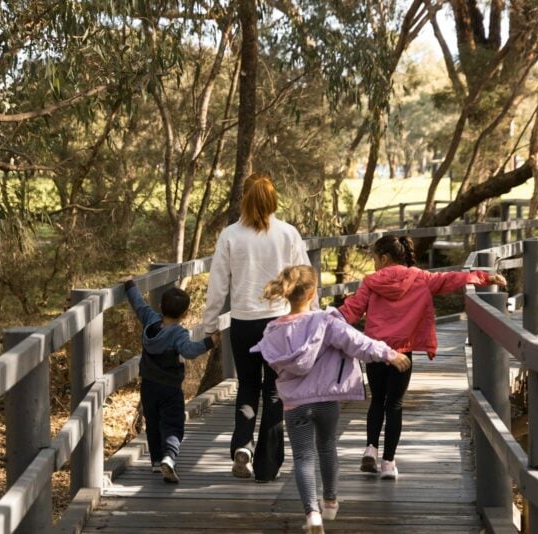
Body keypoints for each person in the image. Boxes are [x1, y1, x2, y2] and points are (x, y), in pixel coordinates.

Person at [251, 265, 411, 533]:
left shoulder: (273, 330)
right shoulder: (325, 322)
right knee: (326, 448)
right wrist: (389, 354)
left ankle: (312, 514)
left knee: (303, 457)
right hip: (326, 400)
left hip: (294, 403)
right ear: (312, 292)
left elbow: (269, 360)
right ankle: (330, 501)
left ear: (286, 294)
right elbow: (357, 342)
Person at [333, 234, 507, 480]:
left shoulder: (370, 282)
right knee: (394, 404)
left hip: (375, 351)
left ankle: (370, 448)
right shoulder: (420, 278)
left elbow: (351, 310)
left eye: (374, 258)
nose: (374, 263)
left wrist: (322, 320)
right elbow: (449, 279)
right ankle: (388, 463)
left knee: (377, 401)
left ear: (384, 258)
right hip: (402, 353)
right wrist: (484, 277)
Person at [202, 171, 315, 483]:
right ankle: (267, 465)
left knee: (248, 385)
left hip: (243, 323)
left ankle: (243, 444)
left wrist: (210, 324)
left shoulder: (230, 235)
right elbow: (306, 279)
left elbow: (217, 285)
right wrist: (312, 318)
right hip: (280, 324)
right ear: (273, 199)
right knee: (275, 389)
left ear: (244, 199)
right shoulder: (288, 234)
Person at [124, 278, 220, 483]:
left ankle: (156, 461)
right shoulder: (178, 333)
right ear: (185, 314)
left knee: (153, 422)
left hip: (148, 386)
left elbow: (138, 303)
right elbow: (189, 351)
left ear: (160, 306)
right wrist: (209, 342)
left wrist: (129, 285)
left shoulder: (149, 320)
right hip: (170, 388)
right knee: (173, 424)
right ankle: (169, 456)